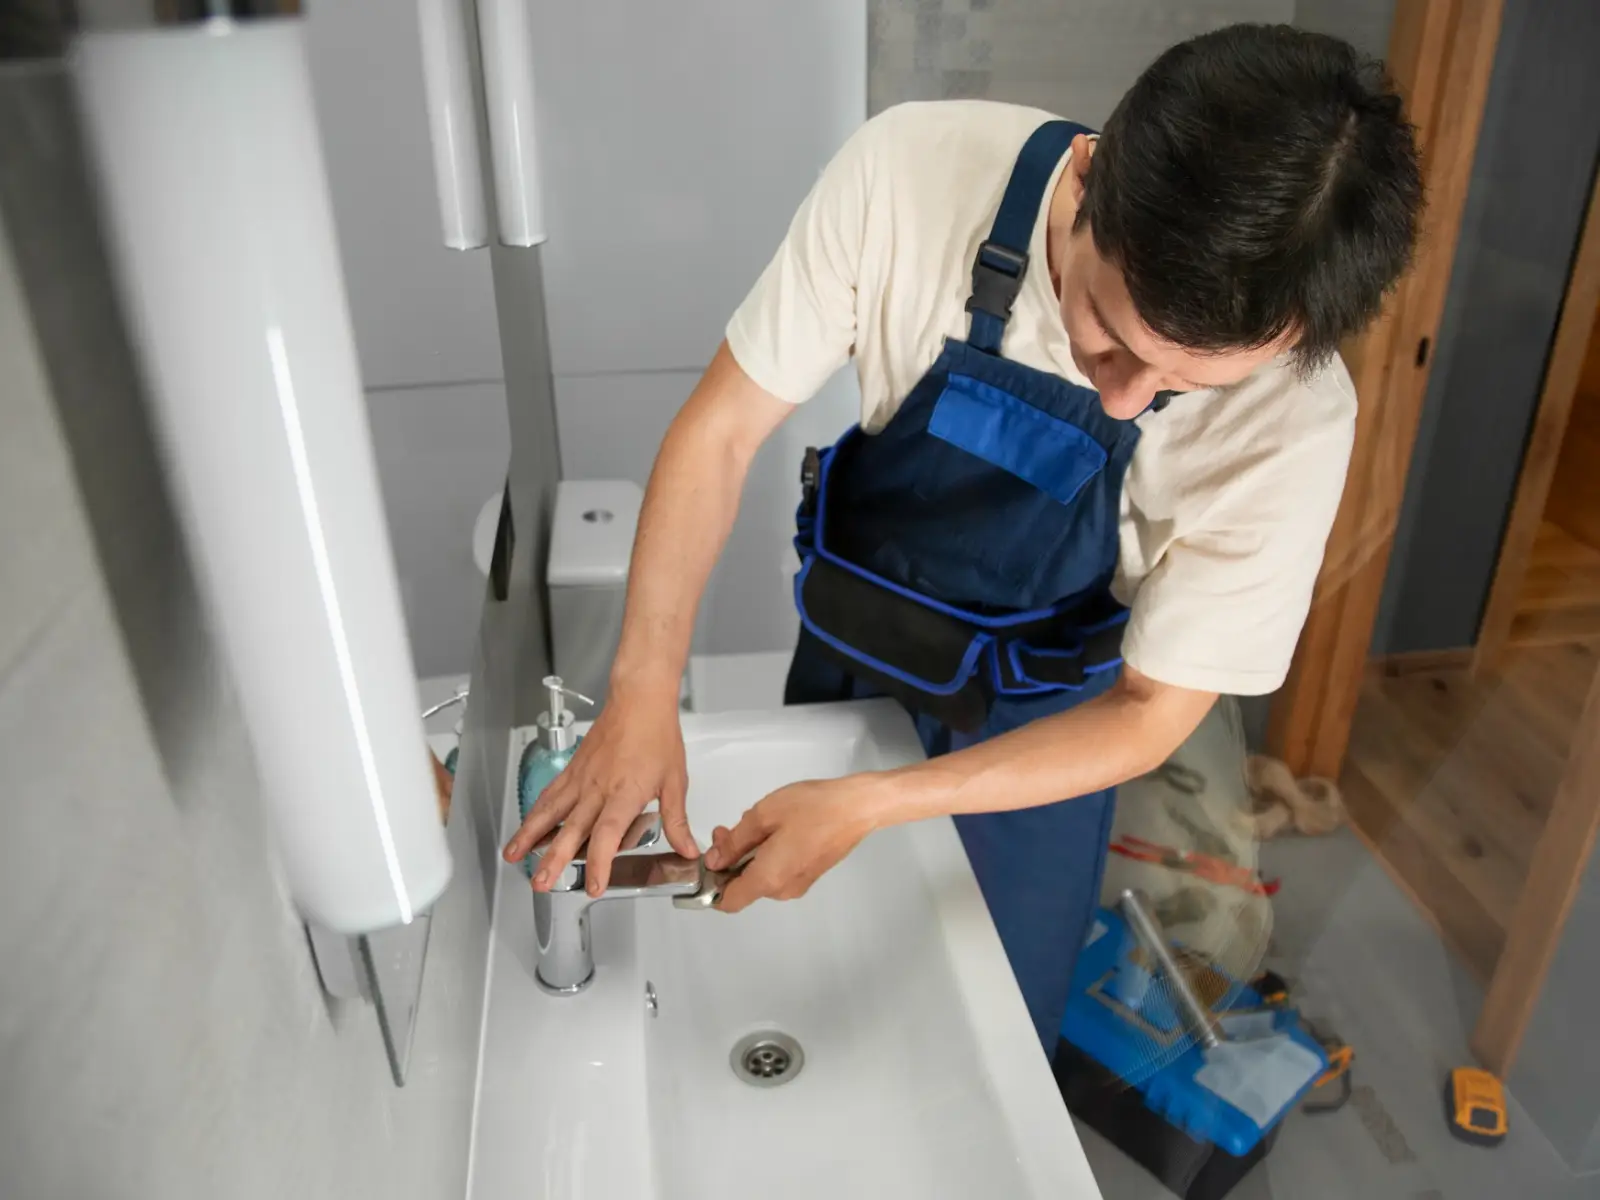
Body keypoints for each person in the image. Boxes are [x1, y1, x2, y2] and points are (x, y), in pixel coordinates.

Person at [503, 23, 1423, 1052]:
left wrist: (874, 802)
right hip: (855, 657)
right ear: (1089, 174)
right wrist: (641, 691)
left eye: (1184, 384)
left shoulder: (1295, 419)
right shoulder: (913, 175)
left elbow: (1151, 710)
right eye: (1108, 334)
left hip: (1050, 732)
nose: (1124, 400)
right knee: (797, 970)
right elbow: (721, 431)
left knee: (993, 1029)